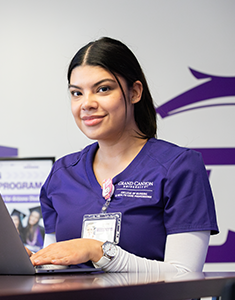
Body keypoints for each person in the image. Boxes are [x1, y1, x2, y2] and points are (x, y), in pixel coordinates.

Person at [29, 37, 219, 274]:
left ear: (135, 92)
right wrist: (31, 263)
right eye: (76, 93)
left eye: (103, 89)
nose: (86, 104)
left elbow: (185, 274)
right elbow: (53, 268)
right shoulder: (63, 173)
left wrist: (99, 252)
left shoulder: (178, 167)